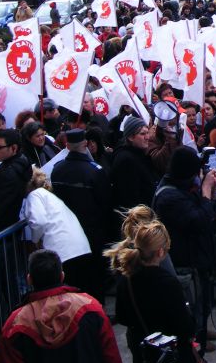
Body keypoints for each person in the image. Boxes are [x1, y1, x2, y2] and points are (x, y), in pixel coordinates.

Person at [0, 249, 122, 363]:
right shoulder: (91, 308)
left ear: (29, 279)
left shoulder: (15, 324)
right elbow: (112, 361)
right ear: (62, 276)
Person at [153, 147, 216, 361]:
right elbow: (198, 221)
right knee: (192, 304)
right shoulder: (169, 196)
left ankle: (201, 330)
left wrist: (211, 193)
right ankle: (194, 350)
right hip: (184, 259)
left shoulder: (185, 187)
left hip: (199, 256)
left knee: (204, 301)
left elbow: (206, 213)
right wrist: (207, 191)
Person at [109, 221, 199, 363]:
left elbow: (122, 317)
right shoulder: (168, 282)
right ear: (161, 252)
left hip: (142, 350)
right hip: (171, 354)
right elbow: (185, 326)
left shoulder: (127, 279)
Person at [50, 129, 111, 303]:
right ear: (85, 144)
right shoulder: (95, 171)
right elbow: (105, 202)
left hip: (68, 232)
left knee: (74, 276)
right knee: (95, 276)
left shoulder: (58, 170)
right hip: (92, 231)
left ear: (67, 146)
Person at [22, 167, 94, 294]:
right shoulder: (49, 196)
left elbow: (39, 221)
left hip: (63, 253)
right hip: (81, 248)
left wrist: (35, 241)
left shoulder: (34, 196)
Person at [110, 116, 157, 218]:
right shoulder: (126, 160)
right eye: (142, 134)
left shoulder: (138, 154)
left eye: (147, 133)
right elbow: (130, 198)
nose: (147, 137)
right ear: (131, 137)